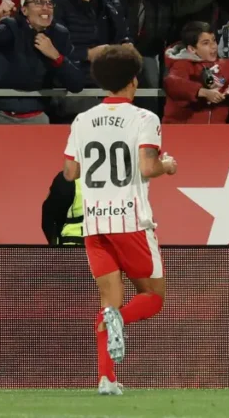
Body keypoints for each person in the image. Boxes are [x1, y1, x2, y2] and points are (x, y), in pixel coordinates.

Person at [62, 44, 178, 396]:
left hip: (95, 223)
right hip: (131, 220)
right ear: (133, 81)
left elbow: (70, 172)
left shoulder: (82, 120)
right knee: (152, 297)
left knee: (108, 300)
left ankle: (106, 378)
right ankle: (120, 320)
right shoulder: (144, 118)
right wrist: (167, 166)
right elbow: (147, 167)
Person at [0, 0, 83, 124]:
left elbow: (77, 84)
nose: (46, 7)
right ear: (24, 10)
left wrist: (55, 56)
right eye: (38, 3)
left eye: (49, 3)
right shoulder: (10, 28)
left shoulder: (60, 35)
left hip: (37, 117)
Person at [52, 0, 131, 95]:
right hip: (69, 89)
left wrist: (127, 45)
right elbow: (52, 51)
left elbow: (123, 36)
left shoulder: (111, 3)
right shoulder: (56, 4)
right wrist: (87, 54)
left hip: (107, 85)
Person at [162, 20, 229, 124]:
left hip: (215, 131)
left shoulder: (225, 65)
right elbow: (171, 83)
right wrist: (202, 92)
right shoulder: (182, 64)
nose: (213, 46)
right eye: (206, 43)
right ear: (192, 49)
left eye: (214, 40)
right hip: (183, 131)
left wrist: (227, 90)